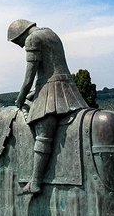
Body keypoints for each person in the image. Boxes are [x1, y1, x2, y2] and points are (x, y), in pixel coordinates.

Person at [8, 19, 89, 195]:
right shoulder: (50, 33)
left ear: (21, 35)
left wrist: (21, 98)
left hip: (53, 91)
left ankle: (35, 181)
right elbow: (51, 70)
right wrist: (34, 94)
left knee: (43, 133)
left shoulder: (32, 39)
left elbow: (29, 77)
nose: (21, 46)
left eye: (18, 42)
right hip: (67, 87)